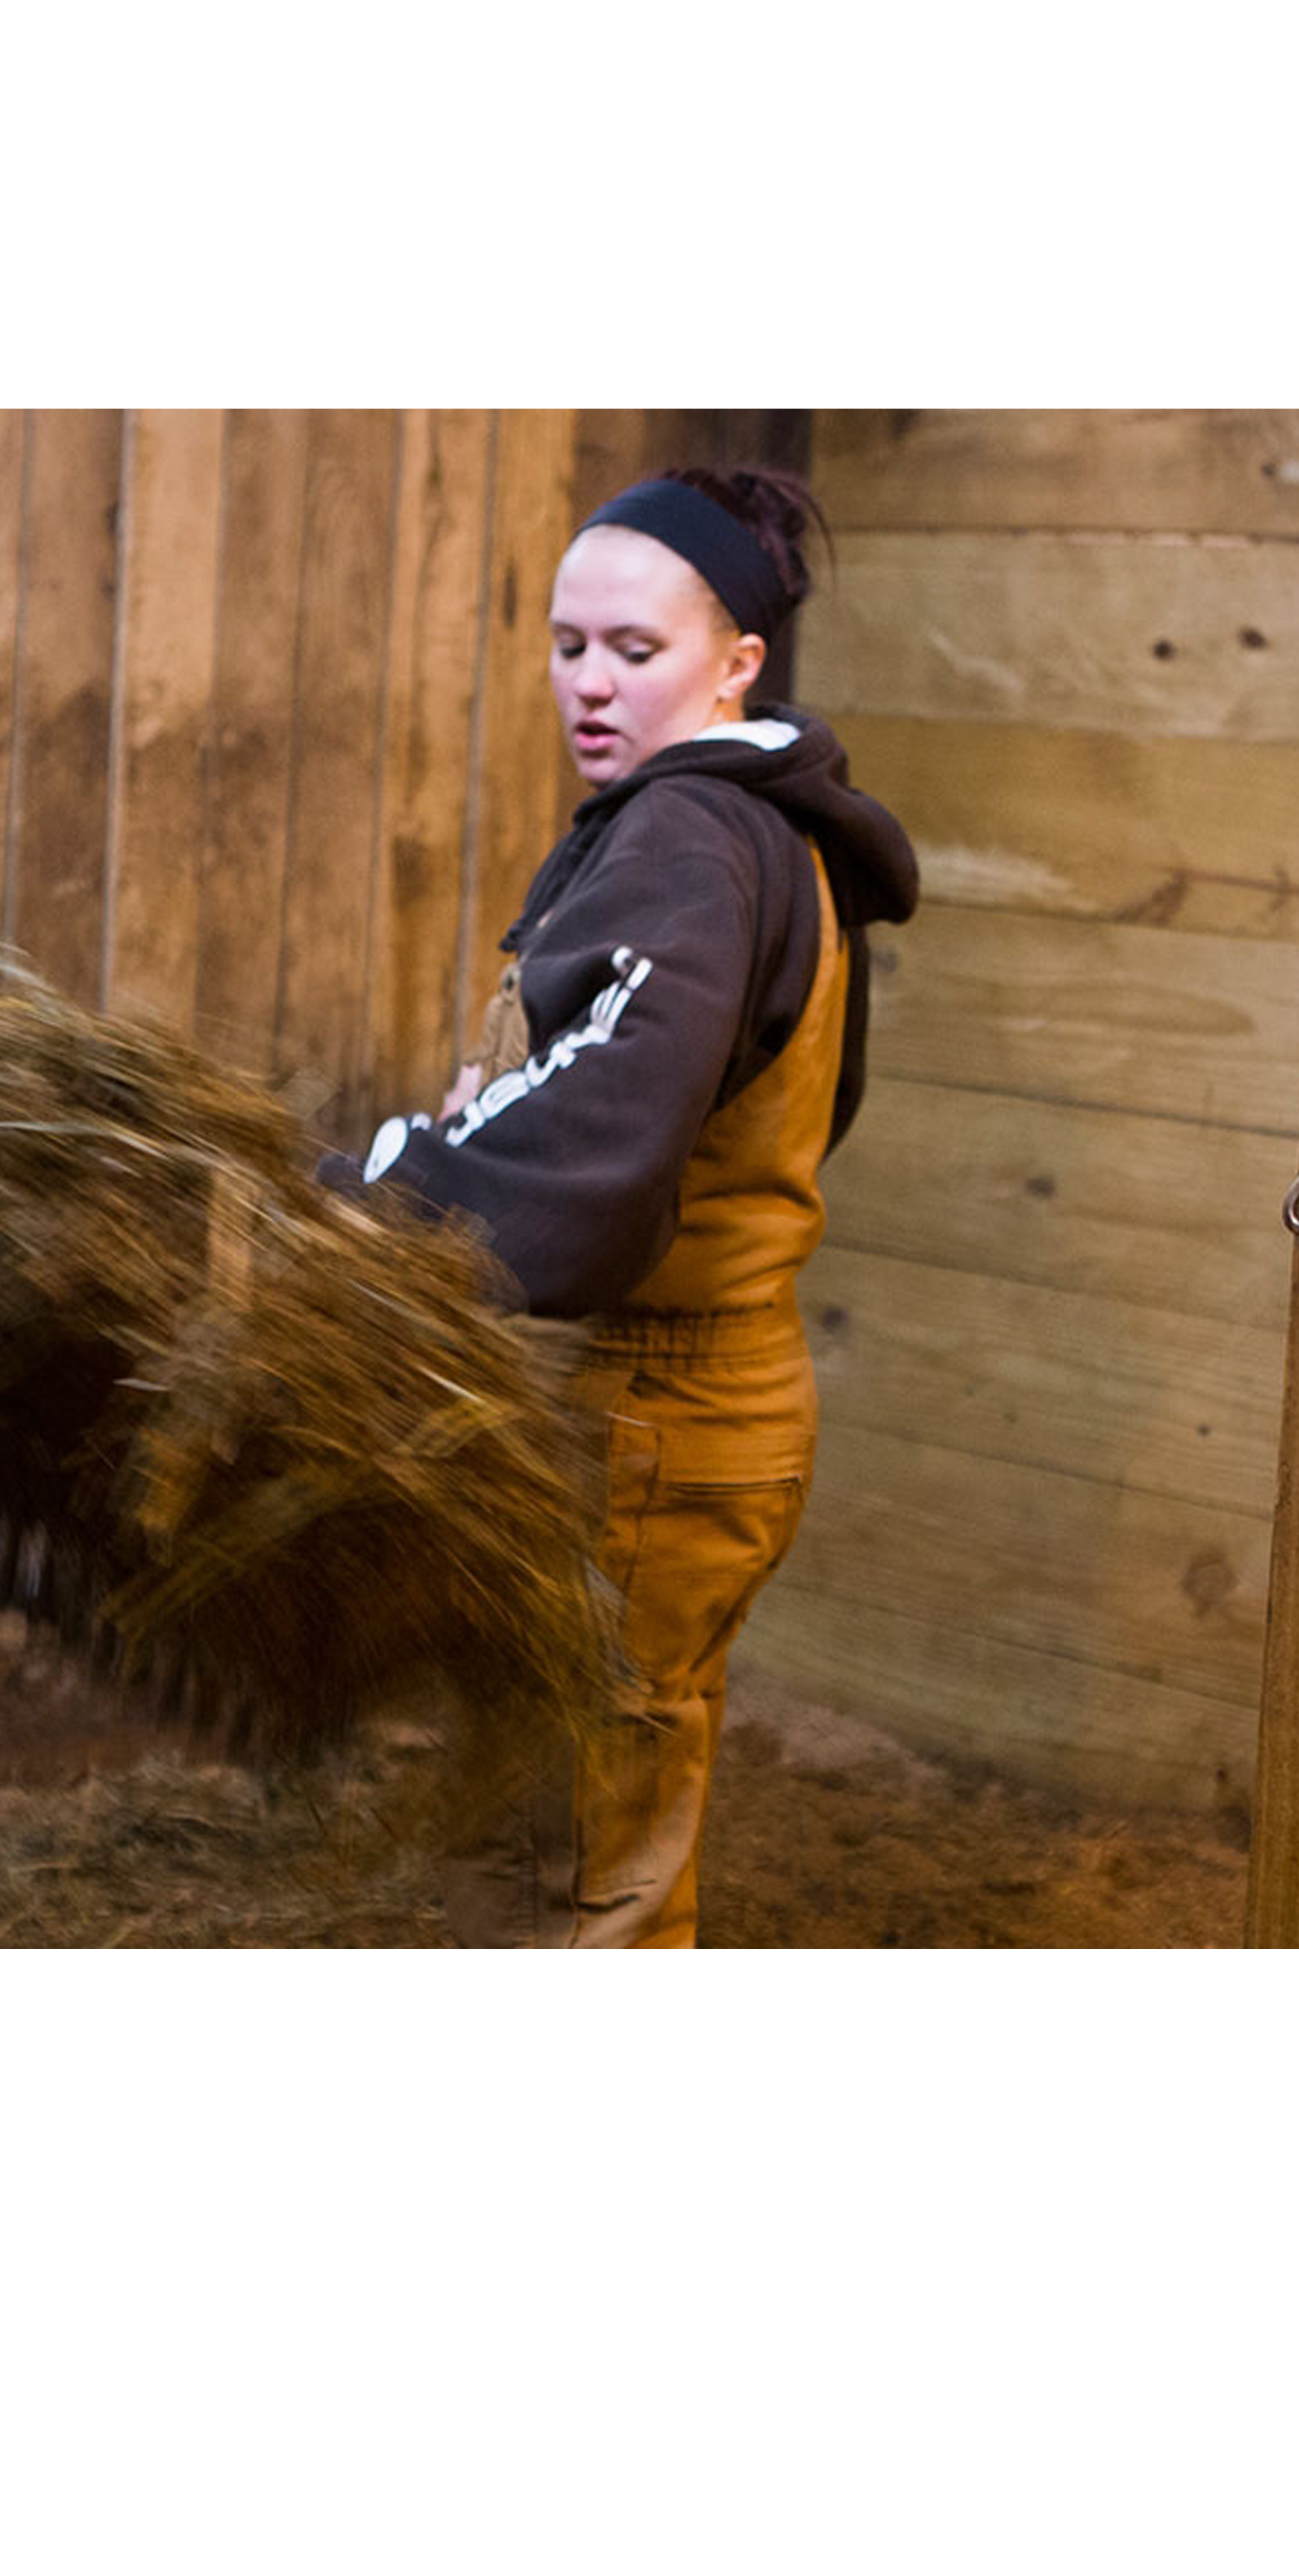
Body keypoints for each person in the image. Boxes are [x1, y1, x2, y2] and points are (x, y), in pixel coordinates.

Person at [331, 466, 918, 1946]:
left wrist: (368, 1202)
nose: (588, 685)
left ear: (737, 665)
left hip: (660, 1414)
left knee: (580, 1862)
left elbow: (603, 1120)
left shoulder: (687, 841)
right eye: (566, 644)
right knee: (615, 1808)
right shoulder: (765, 835)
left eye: (635, 653)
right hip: (704, 1400)